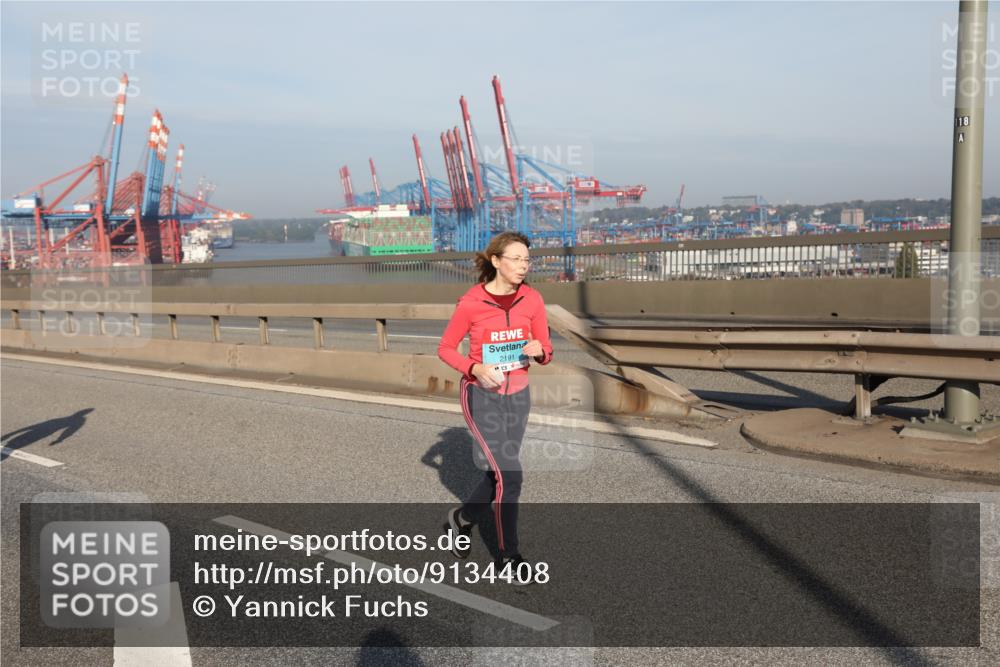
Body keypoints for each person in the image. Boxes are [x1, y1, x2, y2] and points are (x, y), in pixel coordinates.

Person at [437, 231, 553, 580]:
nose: (523, 265)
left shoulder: (532, 299)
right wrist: (473, 368)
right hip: (481, 395)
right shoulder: (471, 302)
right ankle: (508, 557)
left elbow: (546, 349)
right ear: (496, 261)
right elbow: (445, 348)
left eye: (527, 260)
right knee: (511, 475)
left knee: (500, 473)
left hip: (518, 395)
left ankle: (461, 519)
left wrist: (540, 351)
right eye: (516, 259)